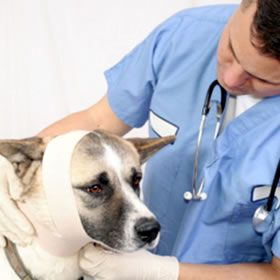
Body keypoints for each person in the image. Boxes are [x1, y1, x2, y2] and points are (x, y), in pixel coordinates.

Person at [1, 0, 280, 279]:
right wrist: (13, 167)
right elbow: (98, 122)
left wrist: (162, 272)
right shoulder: (186, 34)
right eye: (231, 48)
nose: (230, 79)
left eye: (261, 79)